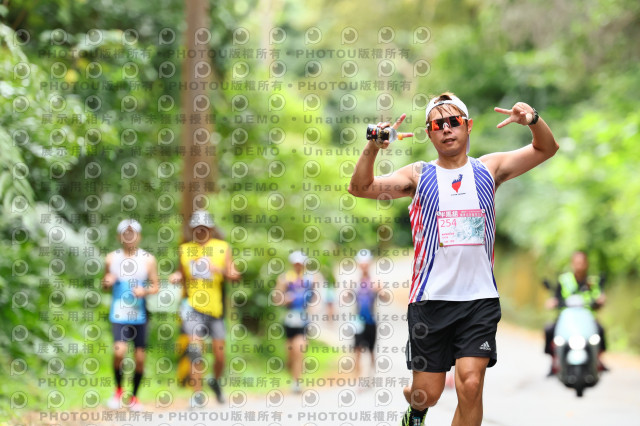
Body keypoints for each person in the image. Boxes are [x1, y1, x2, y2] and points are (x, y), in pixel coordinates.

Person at [349, 92, 558, 426]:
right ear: (429, 134)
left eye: (453, 122)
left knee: (471, 384)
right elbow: (360, 188)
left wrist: (532, 119)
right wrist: (373, 146)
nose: (446, 129)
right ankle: (416, 409)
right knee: (428, 393)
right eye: (438, 125)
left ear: (468, 126)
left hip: (479, 300)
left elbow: (546, 148)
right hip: (430, 301)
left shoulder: (489, 169)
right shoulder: (418, 175)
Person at [169, 210, 241, 407]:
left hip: (215, 310)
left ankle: (215, 381)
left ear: (211, 229)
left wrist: (219, 270)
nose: (200, 231)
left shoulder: (222, 248)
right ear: (192, 229)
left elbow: (235, 275)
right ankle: (198, 394)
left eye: (204, 228)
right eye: (197, 228)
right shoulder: (185, 250)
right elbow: (181, 273)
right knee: (195, 350)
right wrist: (176, 277)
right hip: (192, 307)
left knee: (219, 355)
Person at [102, 219, 159, 411]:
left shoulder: (148, 259)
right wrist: (107, 281)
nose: (129, 237)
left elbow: (156, 286)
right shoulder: (111, 259)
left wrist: (145, 291)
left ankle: (134, 397)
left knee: (140, 358)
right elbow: (105, 284)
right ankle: (118, 391)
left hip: (140, 315)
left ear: (139, 236)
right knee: (119, 352)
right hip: (119, 314)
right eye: (125, 233)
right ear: (119, 236)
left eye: (132, 233)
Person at [544, 251, 607, 375]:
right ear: (572, 264)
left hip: (587, 318)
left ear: (587, 264)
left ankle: (598, 359)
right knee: (549, 329)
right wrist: (552, 302)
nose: (580, 266)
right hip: (567, 318)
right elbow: (556, 297)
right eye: (577, 263)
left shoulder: (593, 282)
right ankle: (553, 360)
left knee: (600, 330)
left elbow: (598, 299)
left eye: (582, 263)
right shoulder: (564, 280)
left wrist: (601, 301)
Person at [273, 251, 315, 393]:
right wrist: (285, 299)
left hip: (303, 320)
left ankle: (297, 382)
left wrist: (313, 309)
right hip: (289, 319)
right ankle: (292, 373)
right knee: (290, 353)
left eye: (300, 263)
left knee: (299, 349)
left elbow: (315, 298)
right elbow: (276, 299)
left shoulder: (310, 279)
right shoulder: (284, 279)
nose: (298, 266)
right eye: (296, 263)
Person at [352, 249, 381, 383]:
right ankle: (358, 378)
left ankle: (370, 376)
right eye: (361, 263)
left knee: (371, 349)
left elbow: (385, 297)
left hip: (371, 319)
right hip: (358, 320)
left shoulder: (375, 281)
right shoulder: (355, 281)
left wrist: (380, 290)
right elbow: (346, 298)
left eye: (366, 262)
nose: (364, 265)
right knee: (357, 349)